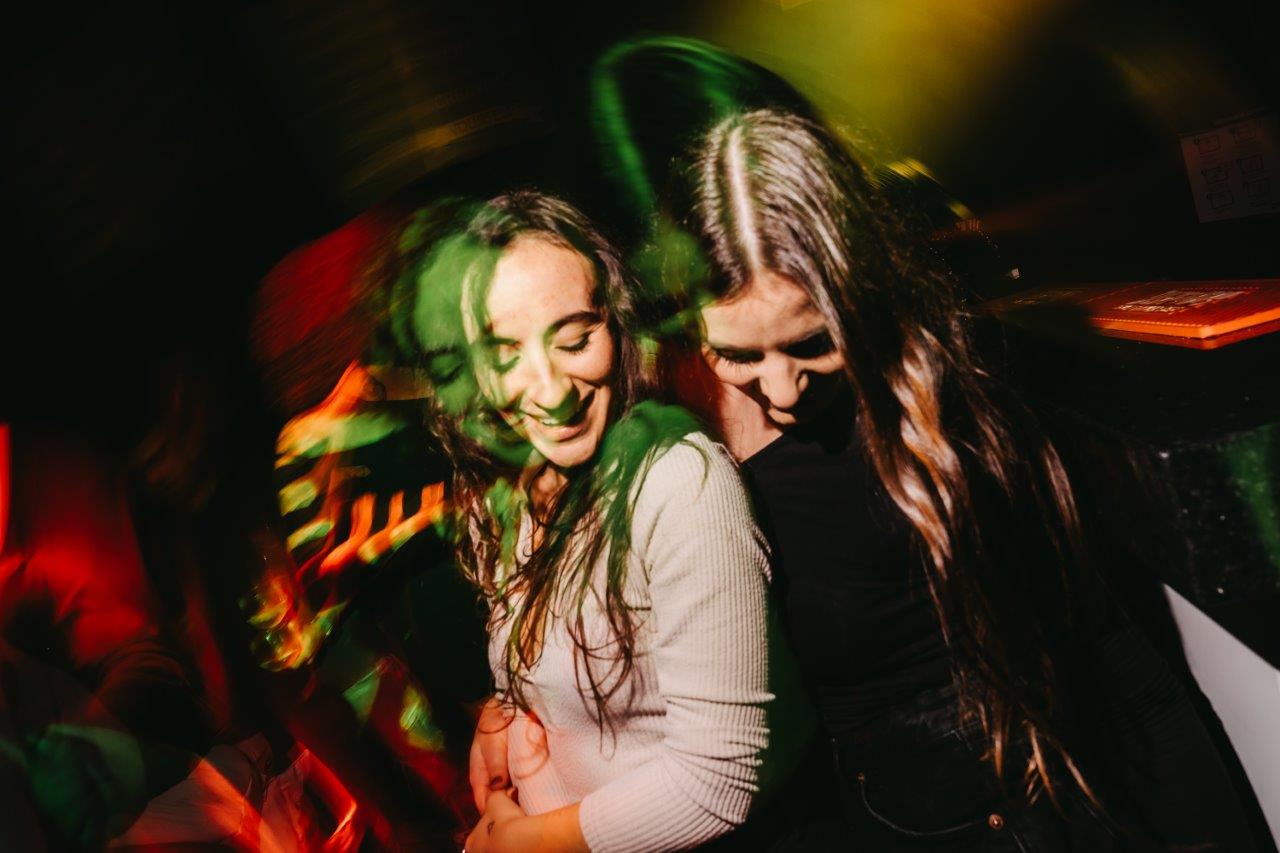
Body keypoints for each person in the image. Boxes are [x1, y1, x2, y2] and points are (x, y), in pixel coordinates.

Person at [647, 106, 1260, 850]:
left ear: (860, 289)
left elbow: (1109, 647)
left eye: (814, 342)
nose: (781, 389)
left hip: (1065, 804)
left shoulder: (959, 397)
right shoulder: (672, 439)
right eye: (737, 354)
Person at [396, 191, 777, 852]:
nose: (551, 391)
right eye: (504, 356)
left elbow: (718, 783)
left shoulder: (679, 484)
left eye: (575, 340)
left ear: (617, 326)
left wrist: (520, 843)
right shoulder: (507, 483)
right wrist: (506, 711)